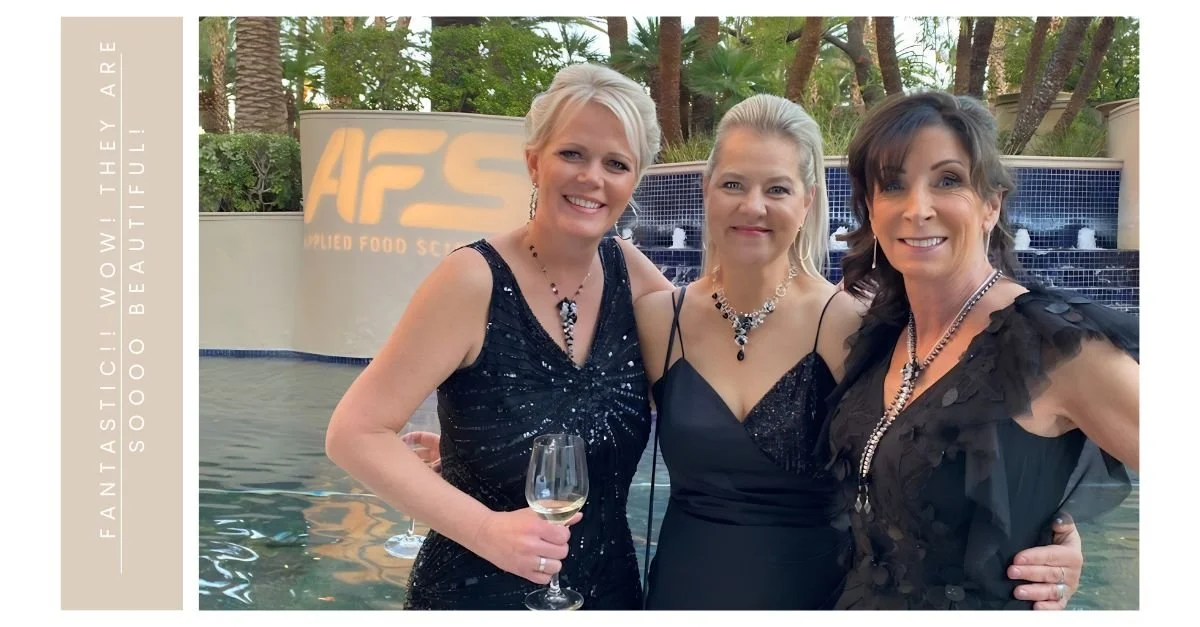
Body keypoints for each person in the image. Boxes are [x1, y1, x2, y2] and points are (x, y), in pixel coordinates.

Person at [633, 93, 1095, 610]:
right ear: (707, 189)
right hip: (681, 594)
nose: (753, 206)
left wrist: (1048, 539)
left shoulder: (855, 328)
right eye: (733, 184)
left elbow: (932, 457)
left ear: (807, 200)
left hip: (819, 599)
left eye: (777, 188)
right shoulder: (656, 321)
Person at [325, 63, 672, 610]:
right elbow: (353, 433)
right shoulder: (471, 280)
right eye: (572, 154)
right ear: (535, 161)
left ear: (634, 181)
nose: (592, 178)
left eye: (616, 164)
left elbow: (712, 362)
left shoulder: (631, 275)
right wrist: (486, 528)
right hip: (476, 592)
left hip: (609, 593)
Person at [825, 90, 1138, 610]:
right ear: (872, 211)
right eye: (893, 184)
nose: (917, 208)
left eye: (948, 181)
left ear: (991, 204)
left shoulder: (1052, 346)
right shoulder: (881, 335)